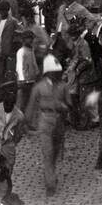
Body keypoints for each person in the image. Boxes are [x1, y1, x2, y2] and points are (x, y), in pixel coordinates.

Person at [27, 55, 71, 196]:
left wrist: (64, 107)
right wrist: (27, 123)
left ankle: (51, 174)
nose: (57, 74)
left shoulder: (63, 86)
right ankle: (50, 184)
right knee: (48, 153)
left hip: (59, 121)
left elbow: (70, 105)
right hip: (45, 120)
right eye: (54, 72)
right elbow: (31, 106)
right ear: (47, 72)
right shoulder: (38, 87)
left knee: (56, 152)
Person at [14, 29, 39, 114]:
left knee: (31, 101)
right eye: (28, 38)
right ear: (23, 40)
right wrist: (21, 79)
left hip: (32, 80)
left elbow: (34, 63)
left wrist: (37, 72)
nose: (30, 40)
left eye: (31, 38)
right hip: (24, 80)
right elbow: (19, 66)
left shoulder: (31, 50)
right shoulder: (21, 51)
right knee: (22, 101)